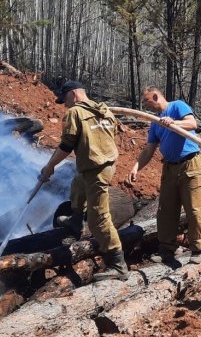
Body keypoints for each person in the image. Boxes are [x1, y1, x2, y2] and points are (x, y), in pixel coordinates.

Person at [39, 80, 128, 282]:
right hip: (101, 165)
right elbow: (111, 134)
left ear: (73, 94)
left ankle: (118, 264)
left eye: (65, 99)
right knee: (77, 185)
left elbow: (67, 145)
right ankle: (75, 222)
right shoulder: (104, 110)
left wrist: (50, 166)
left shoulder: (75, 113)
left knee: (99, 218)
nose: (65, 104)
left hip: (97, 169)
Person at [127, 87, 201, 266]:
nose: (146, 106)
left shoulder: (177, 106)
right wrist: (136, 167)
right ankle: (167, 249)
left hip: (190, 164)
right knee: (166, 210)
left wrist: (173, 123)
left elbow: (192, 124)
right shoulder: (155, 122)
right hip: (170, 168)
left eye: (147, 101)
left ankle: (198, 249)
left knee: (194, 209)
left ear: (156, 97)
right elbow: (149, 149)